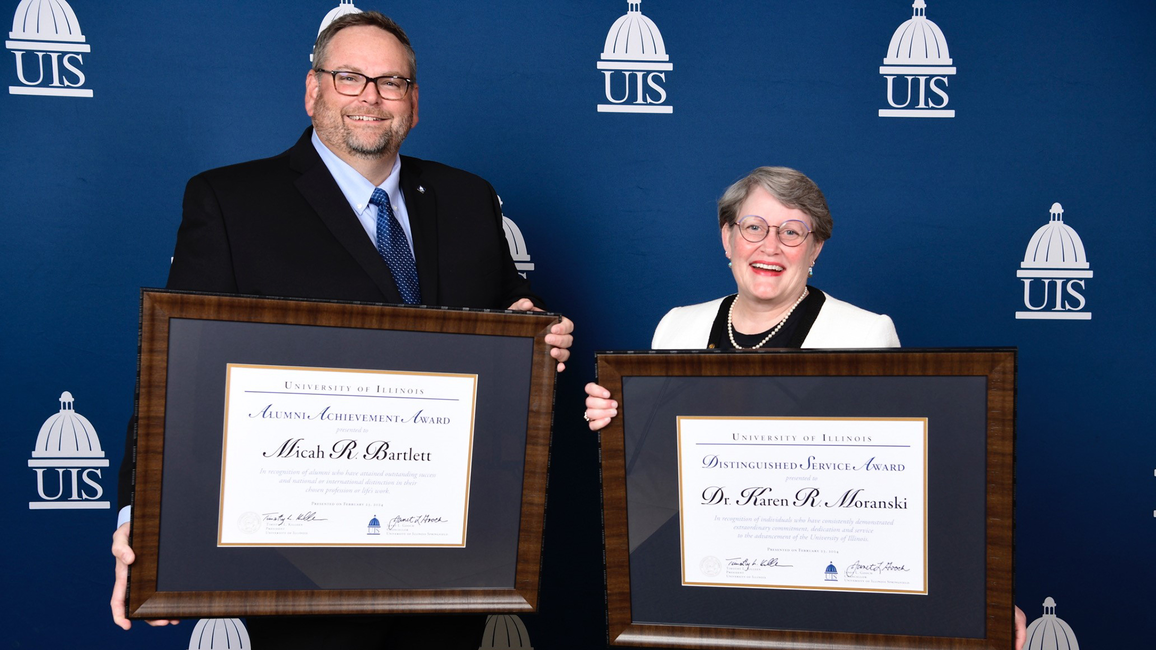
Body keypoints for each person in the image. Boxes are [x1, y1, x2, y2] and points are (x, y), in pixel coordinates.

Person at [109, 11, 573, 649]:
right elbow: (173, 374)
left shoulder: (467, 198)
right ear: (313, 90)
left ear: (414, 100)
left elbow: (506, 311)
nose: (371, 98)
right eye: (350, 78)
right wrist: (145, 520)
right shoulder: (231, 201)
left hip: (447, 549)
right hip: (302, 558)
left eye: (391, 82)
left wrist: (536, 327)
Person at [583, 166, 1027, 649]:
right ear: (727, 237)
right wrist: (622, 425)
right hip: (699, 585)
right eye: (754, 227)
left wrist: (980, 593)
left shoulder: (865, 335)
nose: (769, 247)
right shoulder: (676, 328)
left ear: (815, 249)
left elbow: (912, 487)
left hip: (818, 595)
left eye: (792, 232)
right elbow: (657, 478)